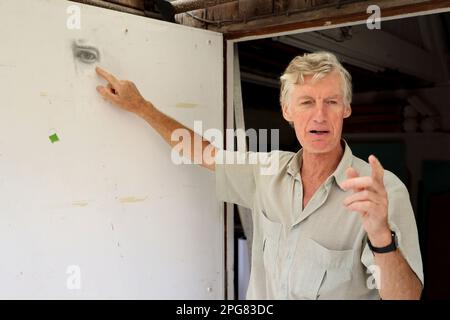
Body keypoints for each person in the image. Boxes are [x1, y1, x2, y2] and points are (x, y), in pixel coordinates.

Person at [95, 51, 423, 300]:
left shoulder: (382, 192)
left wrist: (381, 234)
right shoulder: (267, 171)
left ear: (346, 109)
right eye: (307, 102)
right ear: (287, 112)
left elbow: (406, 296)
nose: (319, 115)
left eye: (331, 102)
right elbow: (202, 152)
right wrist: (141, 107)